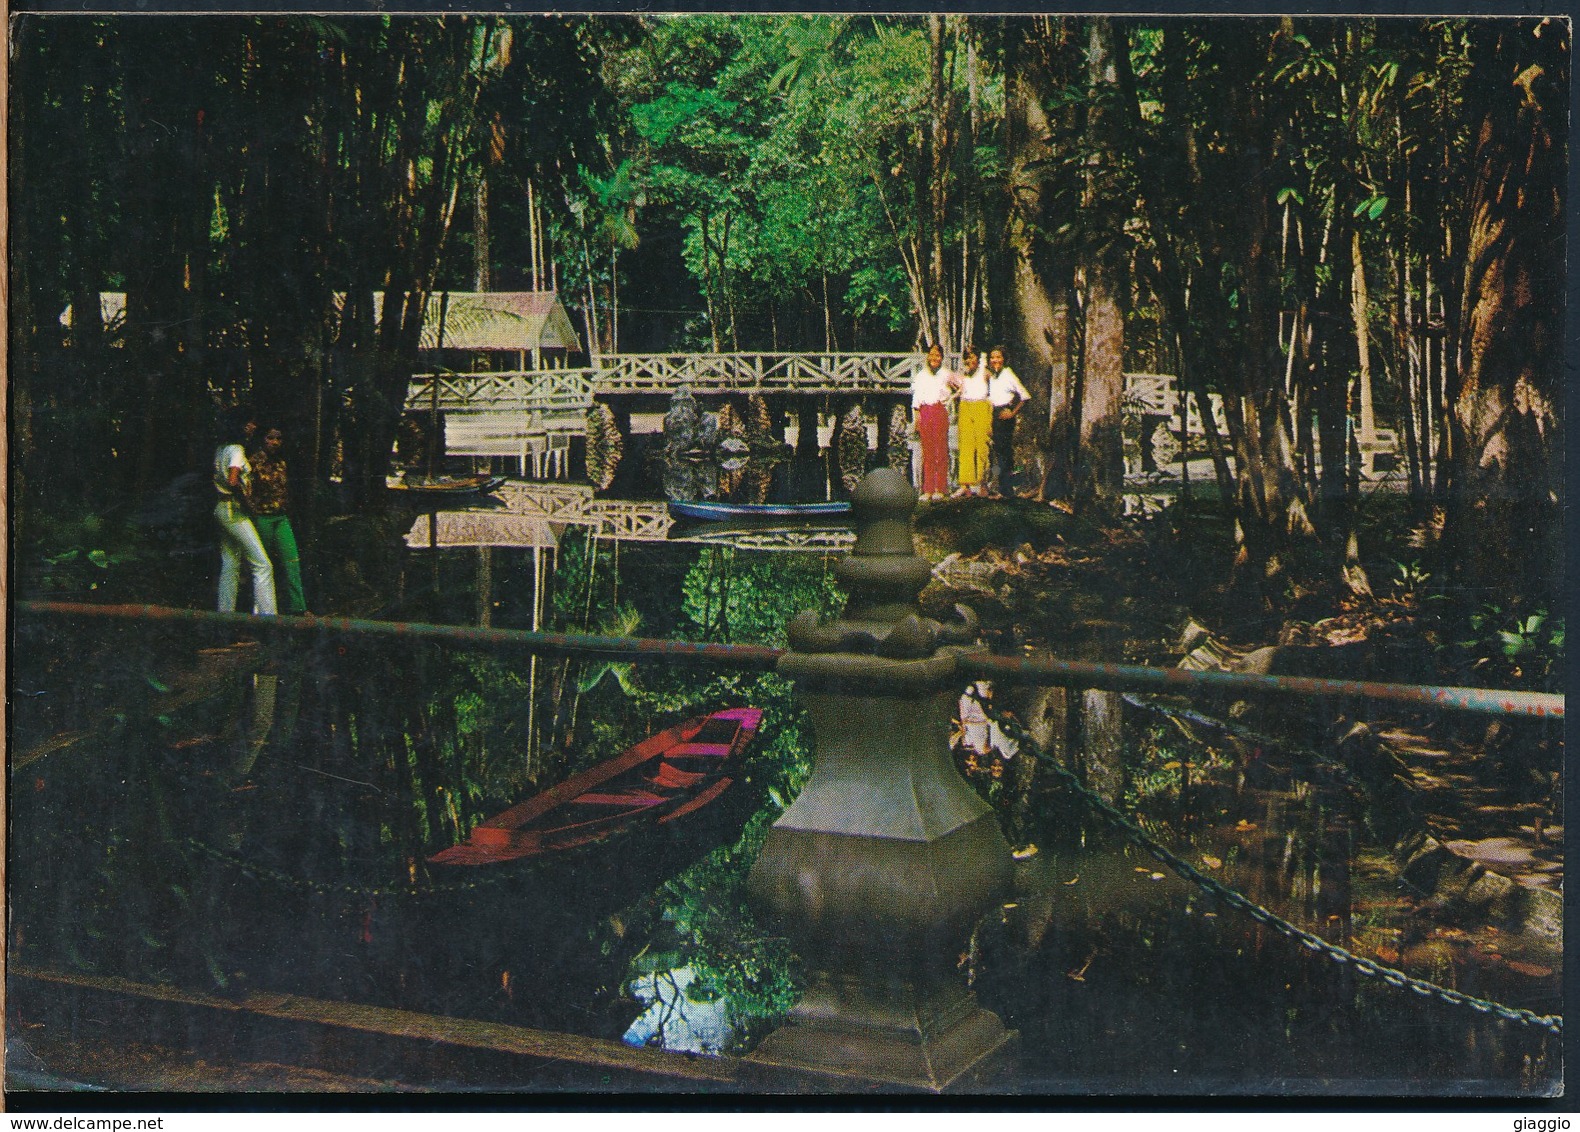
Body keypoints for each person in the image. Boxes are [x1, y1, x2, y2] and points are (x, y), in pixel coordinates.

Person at [214, 411, 277, 615]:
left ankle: (225, 618)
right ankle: (269, 619)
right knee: (262, 565)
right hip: (234, 511)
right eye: (249, 422)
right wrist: (247, 502)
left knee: (230, 563)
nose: (252, 427)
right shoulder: (237, 450)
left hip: (221, 509)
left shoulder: (221, 449)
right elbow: (233, 480)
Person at [249, 425, 307, 615]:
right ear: (262, 439)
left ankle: (298, 608)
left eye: (278, 439)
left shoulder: (281, 463)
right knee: (261, 566)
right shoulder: (253, 462)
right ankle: (257, 611)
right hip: (262, 518)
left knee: (292, 561)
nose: (274, 443)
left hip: (281, 517)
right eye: (270, 438)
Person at [910, 343, 954, 501]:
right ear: (928, 356)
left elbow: (962, 384)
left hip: (939, 411)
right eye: (932, 355)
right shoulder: (921, 375)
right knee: (927, 452)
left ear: (942, 358)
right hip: (925, 412)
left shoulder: (946, 374)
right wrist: (916, 418)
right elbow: (916, 400)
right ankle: (927, 489)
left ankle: (940, 488)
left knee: (940, 451)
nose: (935, 358)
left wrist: (951, 398)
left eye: (938, 355)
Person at [986, 346, 1030, 498]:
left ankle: (1006, 490)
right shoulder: (993, 376)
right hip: (994, 414)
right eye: (992, 357)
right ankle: (1001, 487)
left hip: (1005, 414)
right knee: (998, 451)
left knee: (1004, 452)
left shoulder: (1008, 373)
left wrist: (1012, 413)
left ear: (1004, 359)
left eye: (998, 357)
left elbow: (1024, 395)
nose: (995, 360)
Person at [954, 346, 993, 497]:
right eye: (967, 358)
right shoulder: (963, 375)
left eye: (972, 357)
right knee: (965, 445)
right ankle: (965, 485)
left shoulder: (985, 372)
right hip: (965, 406)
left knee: (982, 445)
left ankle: (983, 483)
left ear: (978, 358)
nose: (969, 360)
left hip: (981, 406)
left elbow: (996, 386)